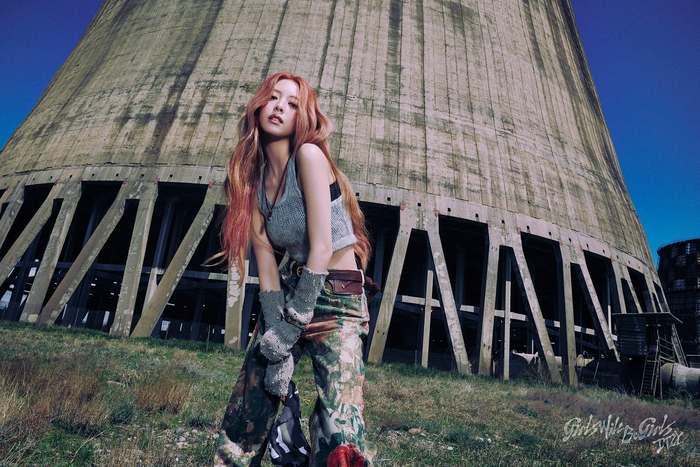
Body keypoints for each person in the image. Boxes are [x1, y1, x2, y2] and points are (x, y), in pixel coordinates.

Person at [213, 71, 374, 467]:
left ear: (303, 116)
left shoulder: (308, 157)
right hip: (292, 288)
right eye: (273, 97)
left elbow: (322, 247)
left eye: (292, 103)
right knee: (251, 401)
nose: (279, 107)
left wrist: (290, 328)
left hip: (338, 299)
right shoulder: (251, 181)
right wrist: (275, 337)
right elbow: (266, 263)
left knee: (340, 427)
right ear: (258, 107)